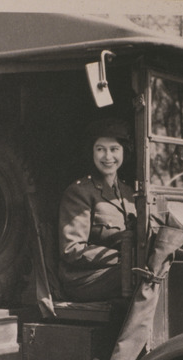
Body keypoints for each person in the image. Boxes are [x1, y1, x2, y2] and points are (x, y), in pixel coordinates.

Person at [58, 119, 136, 302]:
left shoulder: (129, 193)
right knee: (141, 275)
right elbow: (72, 249)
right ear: (92, 152)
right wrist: (121, 258)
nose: (108, 157)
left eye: (114, 149)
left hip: (116, 272)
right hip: (84, 279)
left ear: (124, 151)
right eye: (100, 149)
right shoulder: (79, 192)